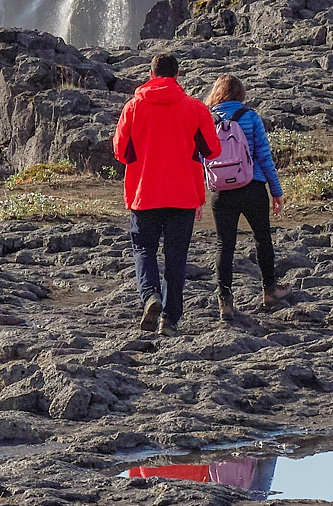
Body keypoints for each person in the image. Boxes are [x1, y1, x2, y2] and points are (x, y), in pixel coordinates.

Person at [112, 54, 220, 337]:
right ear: (177, 75)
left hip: (143, 193)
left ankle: (150, 297)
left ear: (150, 74)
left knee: (144, 250)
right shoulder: (195, 108)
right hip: (183, 195)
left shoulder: (133, 107)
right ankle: (169, 320)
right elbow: (213, 149)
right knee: (176, 258)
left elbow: (121, 152)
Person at [205, 74, 284, 319]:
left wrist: (198, 194)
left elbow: (199, 159)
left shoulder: (206, 120)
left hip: (221, 191)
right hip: (253, 185)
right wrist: (276, 191)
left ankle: (225, 302)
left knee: (223, 245)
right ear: (240, 95)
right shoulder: (250, 117)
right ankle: (269, 291)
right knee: (262, 238)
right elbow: (264, 157)